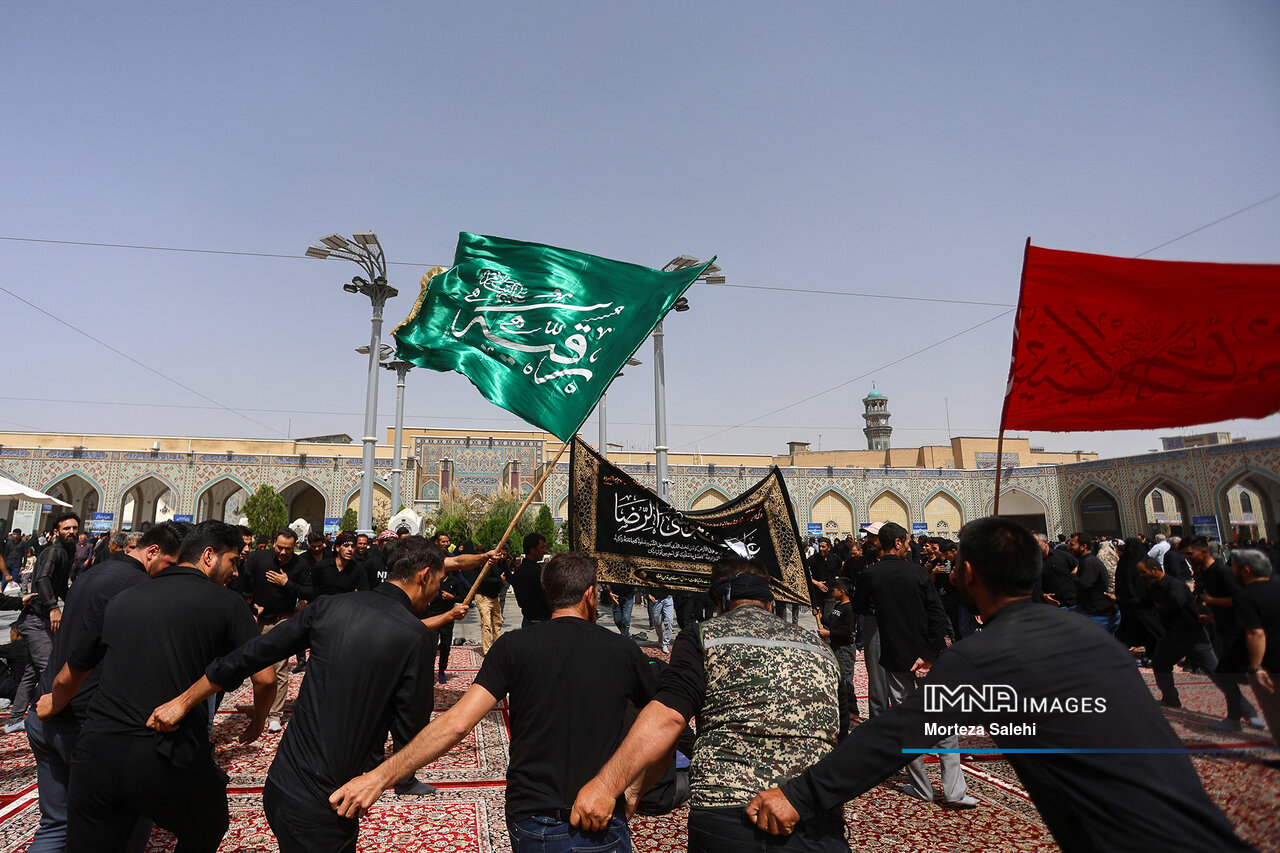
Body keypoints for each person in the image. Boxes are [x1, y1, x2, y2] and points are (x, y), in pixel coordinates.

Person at [744, 516, 1253, 853]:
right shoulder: (1088, 634)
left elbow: (897, 735)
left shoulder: (984, 657)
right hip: (1208, 833)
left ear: (966, 573)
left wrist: (800, 795)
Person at [148, 536, 462, 853]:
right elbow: (411, 730)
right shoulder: (415, 636)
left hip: (280, 785)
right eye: (438, 582)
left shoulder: (330, 606)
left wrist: (183, 701)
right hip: (326, 805)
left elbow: (250, 655)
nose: (438, 591)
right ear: (424, 576)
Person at [330, 552, 658, 853]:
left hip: (532, 820)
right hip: (597, 818)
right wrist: (634, 787)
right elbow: (664, 723)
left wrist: (379, 777)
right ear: (590, 594)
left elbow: (456, 723)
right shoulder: (623, 651)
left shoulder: (514, 646)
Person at [570, 556, 847, 852]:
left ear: (719, 604)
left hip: (729, 813)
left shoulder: (703, 637)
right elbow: (840, 742)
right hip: (811, 815)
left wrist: (606, 787)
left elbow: (670, 718)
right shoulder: (820, 648)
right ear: (770, 603)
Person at [37, 520, 277, 853]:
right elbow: (265, 677)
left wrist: (54, 702)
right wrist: (260, 718)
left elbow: (69, 676)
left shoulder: (122, 599)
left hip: (97, 753)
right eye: (233, 561)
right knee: (207, 824)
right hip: (166, 754)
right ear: (209, 556)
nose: (236, 572)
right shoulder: (227, 603)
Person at [25, 521, 187, 853]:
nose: (171, 574)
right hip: (82, 722)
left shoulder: (94, 573)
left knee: (56, 825)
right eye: (170, 564)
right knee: (122, 826)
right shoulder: (138, 589)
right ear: (153, 552)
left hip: (46, 715)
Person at [853, 521, 973, 808]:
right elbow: (937, 615)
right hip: (927, 659)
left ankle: (921, 787)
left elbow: (858, 607)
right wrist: (930, 654)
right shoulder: (918, 572)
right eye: (906, 542)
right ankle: (954, 792)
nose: (909, 546)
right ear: (897, 543)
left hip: (897, 659)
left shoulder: (871, 574)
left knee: (908, 724)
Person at [6, 513, 80, 734]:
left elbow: (61, 587)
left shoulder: (66, 552)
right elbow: (43, 579)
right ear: (56, 532)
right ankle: (49, 719)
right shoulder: (54, 551)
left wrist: (76, 606)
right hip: (35, 619)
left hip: (40, 619)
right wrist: (53, 608)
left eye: (75, 528)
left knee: (32, 672)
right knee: (51, 668)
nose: (72, 532)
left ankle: (13, 720)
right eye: (67, 528)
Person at [1182, 536, 1264, 731]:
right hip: (1224, 628)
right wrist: (1210, 617)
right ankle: (1241, 716)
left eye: (1190, 553)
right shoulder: (1205, 571)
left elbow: (1239, 599)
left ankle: (1242, 716)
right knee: (1227, 675)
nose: (1187, 558)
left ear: (1204, 551)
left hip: (1237, 629)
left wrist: (1212, 602)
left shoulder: (1220, 570)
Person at [241, 528, 308, 734]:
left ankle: (275, 715)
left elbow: (309, 591)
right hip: (259, 621)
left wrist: (287, 584)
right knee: (258, 669)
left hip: (282, 621)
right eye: (280, 547)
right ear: (273, 544)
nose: (283, 552)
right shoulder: (257, 559)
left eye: (288, 549)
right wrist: (251, 607)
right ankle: (260, 708)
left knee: (279, 669)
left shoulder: (300, 564)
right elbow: (242, 584)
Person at [1137, 555, 1224, 711]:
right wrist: (1119, 600)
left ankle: (1247, 711)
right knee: (1160, 663)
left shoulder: (1174, 585)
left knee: (1216, 672)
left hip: (1192, 635)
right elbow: (1143, 603)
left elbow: (1176, 602)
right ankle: (1170, 699)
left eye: (1143, 572)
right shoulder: (1155, 587)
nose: (1141, 576)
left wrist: (1160, 609)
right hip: (1172, 635)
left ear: (1155, 570)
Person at [1233, 549, 1280, 745]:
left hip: (1272, 662)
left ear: (1246, 570)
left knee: (1274, 709)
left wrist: (1256, 667)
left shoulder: (1246, 595)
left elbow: (1255, 633)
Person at [819, 578, 859, 720]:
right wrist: (820, 617)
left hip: (845, 650)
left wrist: (829, 634)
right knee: (837, 678)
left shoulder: (849, 609)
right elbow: (831, 622)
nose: (832, 592)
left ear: (841, 591)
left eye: (834, 590)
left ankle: (852, 710)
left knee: (846, 680)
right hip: (835, 647)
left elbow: (847, 632)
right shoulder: (837, 606)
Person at [1067, 532, 1118, 634]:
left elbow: (1084, 584)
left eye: (1072, 545)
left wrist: (1073, 575)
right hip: (1090, 610)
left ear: (1083, 547)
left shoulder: (1089, 562)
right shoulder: (1086, 560)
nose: (1069, 547)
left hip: (1098, 613)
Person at [510, 532, 551, 627]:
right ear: (532, 549)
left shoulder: (520, 570)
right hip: (541, 622)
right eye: (542, 547)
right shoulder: (535, 572)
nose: (545, 551)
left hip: (528, 620)